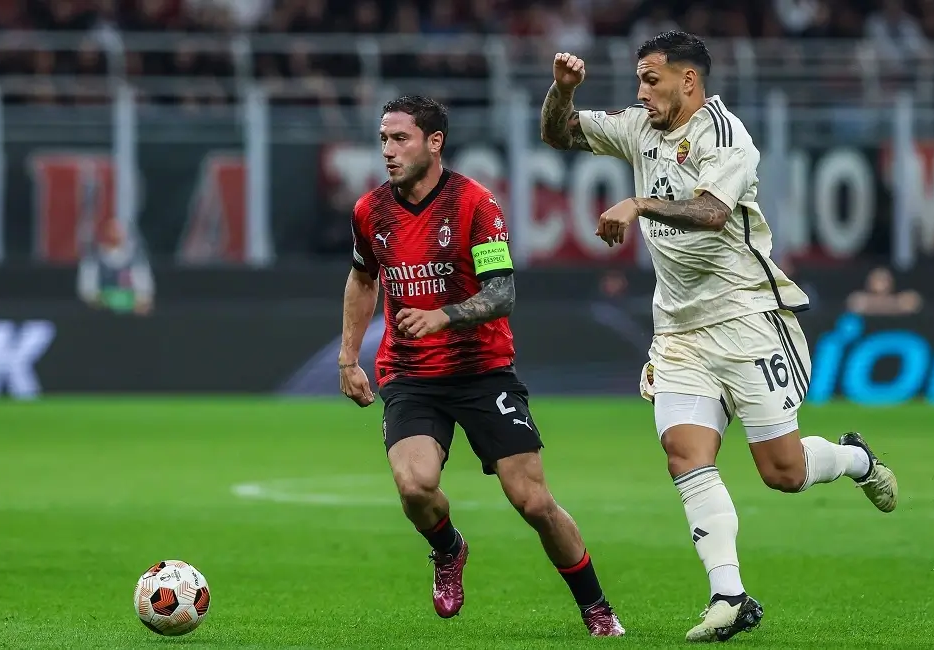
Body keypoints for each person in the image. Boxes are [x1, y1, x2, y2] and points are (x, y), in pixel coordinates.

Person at [539, 32, 898, 643]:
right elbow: (558, 134)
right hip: (678, 330)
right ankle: (729, 595)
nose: (641, 90)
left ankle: (856, 459)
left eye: (652, 79)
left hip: (747, 319)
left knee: (781, 472)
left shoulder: (726, 137)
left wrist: (638, 203)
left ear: (689, 81)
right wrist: (562, 91)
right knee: (685, 455)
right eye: (638, 78)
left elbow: (710, 212)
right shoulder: (637, 128)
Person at [338, 95, 624, 637]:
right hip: (411, 374)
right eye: (383, 139)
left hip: (482, 370)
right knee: (414, 486)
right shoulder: (369, 212)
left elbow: (502, 292)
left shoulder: (474, 203)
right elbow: (362, 278)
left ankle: (596, 607)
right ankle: (448, 550)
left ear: (434, 142)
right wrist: (348, 357)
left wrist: (443, 316)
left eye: (400, 139)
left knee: (533, 501)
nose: (388, 151)